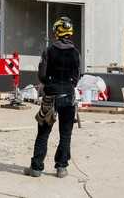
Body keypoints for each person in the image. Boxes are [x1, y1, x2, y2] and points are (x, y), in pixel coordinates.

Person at [24, 17, 80, 179]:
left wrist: (49, 83)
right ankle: (61, 168)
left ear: (57, 32)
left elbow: (42, 75)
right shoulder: (76, 53)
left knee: (43, 132)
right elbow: (76, 77)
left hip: (51, 97)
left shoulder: (48, 51)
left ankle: (36, 168)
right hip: (68, 97)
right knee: (66, 134)